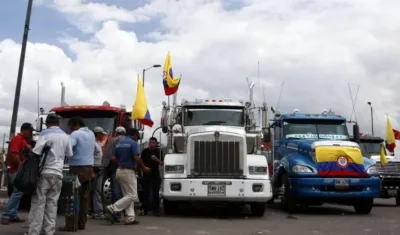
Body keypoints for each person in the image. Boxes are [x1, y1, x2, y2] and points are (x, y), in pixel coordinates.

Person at [26, 114, 73, 235]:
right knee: (52, 203)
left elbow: (36, 151)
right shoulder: (66, 136)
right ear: (58, 122)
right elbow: (69, 153)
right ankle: (49, 231)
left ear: (47, 123)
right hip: (58, 173)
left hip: (45, 173)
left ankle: (34, 232)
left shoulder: (44, 134)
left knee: (39, 203)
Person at [105, 128, 150, 225]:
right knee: (133, 195)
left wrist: (122, 162)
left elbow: (113, 158)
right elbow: (136, 157)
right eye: (137, 137)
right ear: (134, 135)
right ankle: (113, 208)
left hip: (119, 170)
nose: (137, 139)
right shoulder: (133, 143)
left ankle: (130, 218)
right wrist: (143, 167)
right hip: (128, 172)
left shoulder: (119, 144)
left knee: (128, 195)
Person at [60, 117, 95, 231]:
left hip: (77, 169)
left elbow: (68, 148)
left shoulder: (75, 134)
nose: (70, 129)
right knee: (85, 198)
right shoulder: (91, 134)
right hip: (89, 168)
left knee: (72, 196)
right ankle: (81, 224)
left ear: (76, 125)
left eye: (71, 126)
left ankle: (71, 225)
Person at [1, 123, 34, 225]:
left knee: (18, 193)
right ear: (25, 130)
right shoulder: (17, 139)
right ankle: (6, 215)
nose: (31, 133)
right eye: (30, 131)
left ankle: (12, 215)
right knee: (17, 193)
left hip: (19, 170)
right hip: (17, 171)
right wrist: (21, 168)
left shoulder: (23, 140)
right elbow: (14, 154)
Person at [102, 126, 126, 222]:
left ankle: (116, 214)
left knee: (116, 191)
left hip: (115, 169)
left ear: (116, 132)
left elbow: (108, 156)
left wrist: (104, 167)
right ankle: (127, 214)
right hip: (128, 169)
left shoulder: (113, 141)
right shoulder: (129, 141)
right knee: (127, 193)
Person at [140, 137, 163, 216]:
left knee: (156, 192)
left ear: (156, 144)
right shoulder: (145, 151)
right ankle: (144, 209)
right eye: (150, 142)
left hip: (155, 174)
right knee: (145, 192)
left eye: (153, 142)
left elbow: (162, 163)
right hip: (146, 174)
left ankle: (156, 210)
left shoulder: (159, 151)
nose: (151, 144)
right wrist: (143, 169)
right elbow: (140, 162)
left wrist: (156, 159)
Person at [89, 126, 107, 220]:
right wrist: (91, 171)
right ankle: (97, 211)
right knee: (96, 191)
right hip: (95, 169)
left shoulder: (98, 143)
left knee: (95, 191)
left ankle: (94, 211)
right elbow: (90, 157)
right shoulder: (93, 144)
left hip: (99, 169)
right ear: (97, 133)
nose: (102, 135)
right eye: (101, 134)